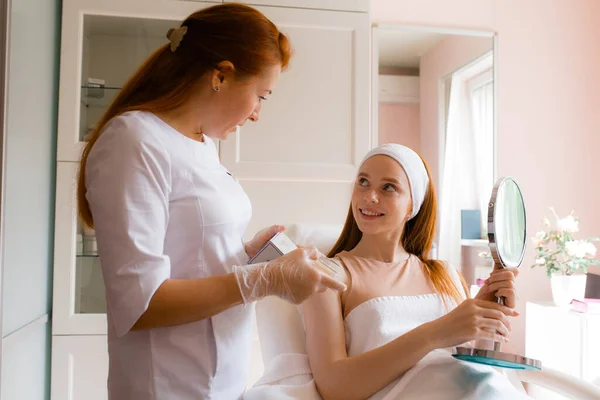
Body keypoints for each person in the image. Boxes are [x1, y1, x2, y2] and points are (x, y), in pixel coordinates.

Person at [77, 4, 346, 399]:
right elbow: (141, 303)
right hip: (166, 387)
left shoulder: (201, 145)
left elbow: (190, 252)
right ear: (220, 74)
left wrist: (245, 254)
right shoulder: (134, 140)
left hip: (223, 381)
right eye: (261, 95)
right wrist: (264, 279)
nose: (257, 114)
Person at [300, 143, 531, 399]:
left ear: (413, 205)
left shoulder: (445, 275)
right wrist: (436, 333)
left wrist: (487, 323)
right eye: (363, 182)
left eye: (388, 187)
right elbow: (334, 387)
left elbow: (473, 368)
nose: (369, 196)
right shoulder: (327, 276)